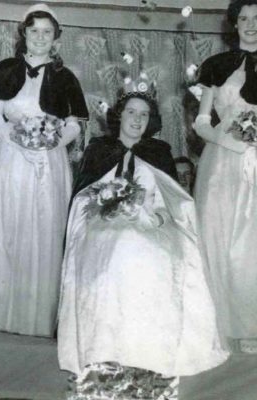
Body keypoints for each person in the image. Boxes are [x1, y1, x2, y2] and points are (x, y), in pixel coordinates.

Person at [57, 89, 228, 396]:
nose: (137, 120)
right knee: (120, 244)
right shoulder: (99, 149)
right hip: (102, 223)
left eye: (144, 115)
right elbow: (83, 197)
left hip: (150, 222)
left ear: (151, 121)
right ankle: (107, 345)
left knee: (153, 250)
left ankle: (146, 344)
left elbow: (173, 198)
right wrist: (107, 206)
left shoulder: (159, 151)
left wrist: (159, 217)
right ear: (119, 116)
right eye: (131, 112)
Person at [0, 3, 88, 337]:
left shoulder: (65, 76)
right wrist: (18, 139)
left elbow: (75, 123)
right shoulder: (6, 69)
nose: (40, 38)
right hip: (10, 158)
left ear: (56, 38)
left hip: (50, 160)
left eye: (47, 32)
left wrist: (52, 142)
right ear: (24, 35)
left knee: (44, 226)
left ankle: (38, 320)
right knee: (6, 225)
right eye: (34, 31)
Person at [194, 0, 257, 353]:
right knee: (218, 238)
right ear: (234, 25)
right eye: (244, 19)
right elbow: (202, 122)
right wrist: (229, 140)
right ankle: (219, 324)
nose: (250, 25)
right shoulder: (216, 66)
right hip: (221, 165)